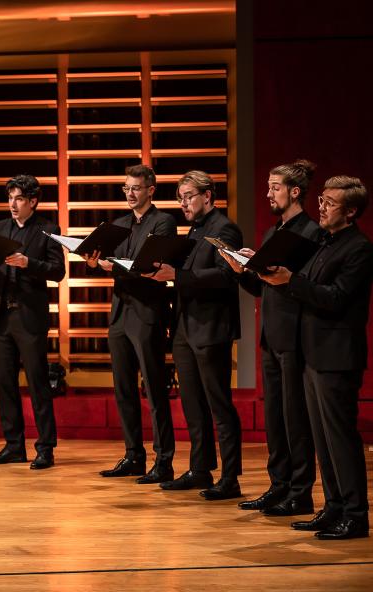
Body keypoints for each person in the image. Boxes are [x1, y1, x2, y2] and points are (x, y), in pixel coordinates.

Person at [260, 176, 372, 540]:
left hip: (336, 357)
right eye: (321, 200)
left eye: (330, 203)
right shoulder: (325, 241)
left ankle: (355, 515)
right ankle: (333, 507)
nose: (321, 208)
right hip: (312, 353)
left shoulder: (358, 248)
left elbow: (336, 297)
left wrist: (290, 281)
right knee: (322, 440)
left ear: (351, 212)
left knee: (340, 439)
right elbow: (308, 285)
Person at [222, 161, 323, 516]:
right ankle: (278, 485)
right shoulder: (272, 232)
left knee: (296, 419)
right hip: (271, 334)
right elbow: (263, 288)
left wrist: (275, 273)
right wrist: (242, 270)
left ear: (295, 192)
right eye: (268, 187)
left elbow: (306, 285)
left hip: (295, 335)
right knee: (275, 418)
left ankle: (300, 492)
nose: (268, 194)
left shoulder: (311, 232)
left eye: (275, 187)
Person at [147, 171, 244, 500]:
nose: (183, 203)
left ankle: (230, 478)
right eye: (180, 197)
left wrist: (178, 275)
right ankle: (200, 469)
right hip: (185, 328)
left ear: (208, 196)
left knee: (219, 405)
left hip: (211, 328)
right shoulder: (194, 230)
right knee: (192, 404)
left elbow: (225, 276)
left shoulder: (225, 229)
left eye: (188, 196)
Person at [82, 165, 177, 483]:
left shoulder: (163, 221)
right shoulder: (120, 224)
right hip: (121, 312)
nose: (130, 193)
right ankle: (133, 455)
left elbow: (149, 265)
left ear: (151, 190)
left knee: (154, 388)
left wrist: (116, 267)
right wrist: (94, 263)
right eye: (126, 188)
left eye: (136, 188)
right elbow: (113, 262)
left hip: (147, 311)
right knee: (123, 389)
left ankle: (163, 461)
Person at [0, 174, 65, 470]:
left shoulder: (47, 230)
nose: (13, 204)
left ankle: (45, 448)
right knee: (5, 384)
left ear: (33, 202)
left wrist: (29, 263)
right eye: (10, 198)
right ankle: (14, 446)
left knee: (38, 384)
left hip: (29, 317)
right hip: (2, 316)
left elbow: (58, 271)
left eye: (19, 199)